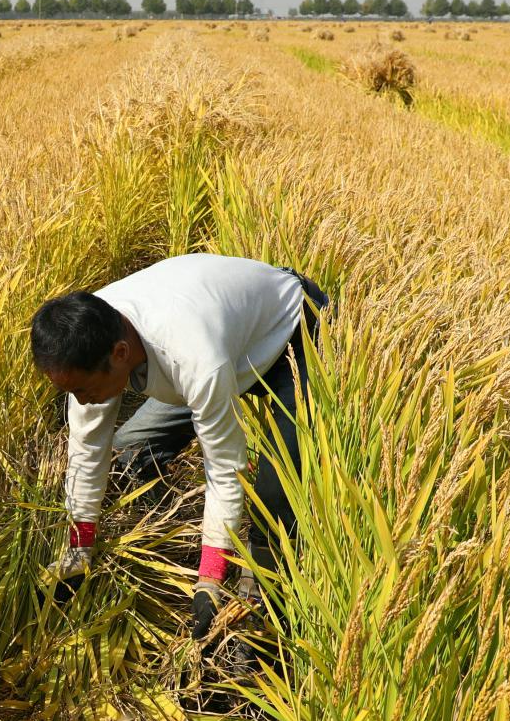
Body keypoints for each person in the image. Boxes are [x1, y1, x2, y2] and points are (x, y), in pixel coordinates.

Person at [27, 253, 330, 641]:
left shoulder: (192, 357)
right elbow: (87, 450)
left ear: (120, 355)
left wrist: (209, 578)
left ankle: (259, 605)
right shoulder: (88, 336)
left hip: (292, 334)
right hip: (218, 345)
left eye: (83, 391)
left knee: (275, 492)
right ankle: (165, 523)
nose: (82, 402)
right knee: (131, 450)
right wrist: (78, 549)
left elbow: (224, 466)